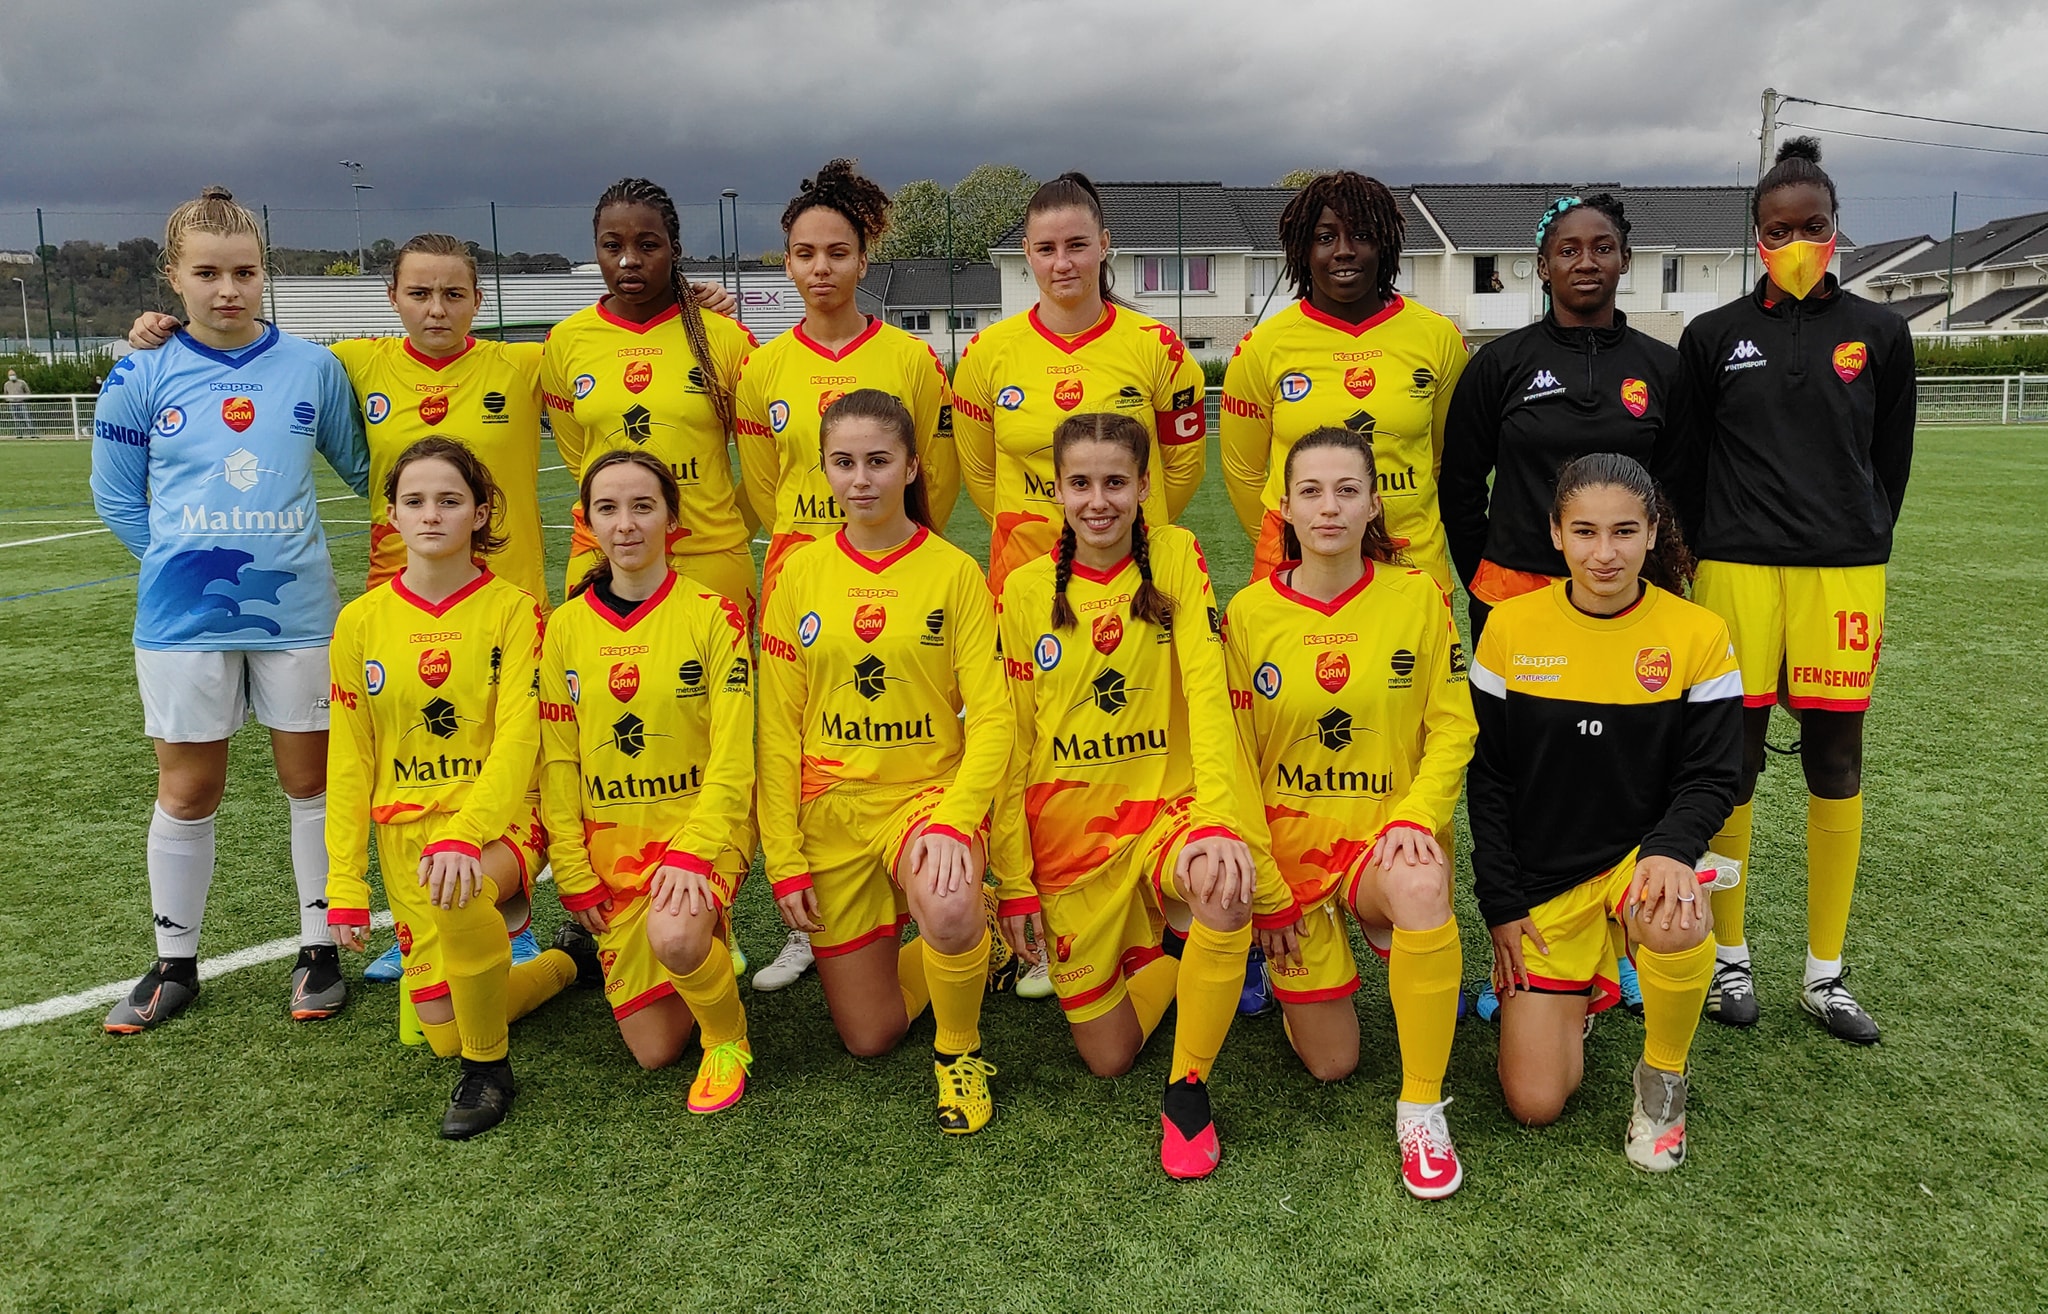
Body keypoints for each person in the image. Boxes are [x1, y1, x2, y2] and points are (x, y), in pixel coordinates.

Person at [90, 186, 369, 1033]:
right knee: (188, 788)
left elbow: (367, 471)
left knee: (311, 780)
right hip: (183, 621)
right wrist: (188, 566)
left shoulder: (312, 368)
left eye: (244, 272)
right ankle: (175, 963)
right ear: (173, 277)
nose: (228, 289)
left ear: (264, 275)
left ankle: (318, 951)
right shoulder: (140, 370)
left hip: (299, 613)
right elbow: (115, 498)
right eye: (207, 272)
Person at [995, 411, 1298, 1179]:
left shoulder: (1173, 554)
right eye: (1081, 483)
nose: (1099, 500)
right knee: (1109, 1056)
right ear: (1056, 490)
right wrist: (1016, 880)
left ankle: (1189, 1089)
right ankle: (1175, 948)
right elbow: (1014, 740)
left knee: (1225, 889)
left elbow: (1205, 687)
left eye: (1116, 482)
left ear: (1143, 486)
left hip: (1168, 813)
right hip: (1069, 840)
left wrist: (1222, 821)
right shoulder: (1026, 590)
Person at [1677, 139, 1915, 1045]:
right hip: (1735, 571)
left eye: (1812, 225)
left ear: (1836, 227)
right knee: (1731, 763)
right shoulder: (1713, 337)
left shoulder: (1882, 335)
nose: (1797, 240)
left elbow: (1888, 466)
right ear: (1758, 236)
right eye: (1780, 229)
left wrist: (1853, 533)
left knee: (1835, 760)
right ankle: (1729, 956)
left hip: (1843, 572)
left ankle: (1825, 973)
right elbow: (1692, 464)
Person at [731, 160, 971, 996]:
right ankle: (819, 922)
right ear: (787, 263)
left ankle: (950, 899)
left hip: (901, 574)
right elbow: (765, 485)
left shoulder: (908, 358)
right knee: (801, 744)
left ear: (864, 259)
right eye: (804, 253)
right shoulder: (761, 372)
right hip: (806, 574)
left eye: (838, 252)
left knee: (916, 727)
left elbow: (933, 473)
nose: (821, 268)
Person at [1468, 453, 1740, 1171]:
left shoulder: (1698, 633)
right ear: (1556, 534)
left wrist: (1672, 848)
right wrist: (1501, 898)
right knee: (1535, 1104)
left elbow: (1715, 774)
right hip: (1546, 877)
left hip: (1637, 858)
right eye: (1584, 532)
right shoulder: (1509, 628)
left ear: (1653, 533)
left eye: (1624, 532)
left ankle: (1662, 1081)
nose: (1604, 552)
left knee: (1677, 918)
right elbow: (1489, 777)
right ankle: (1585, 990)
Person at [1224, 426, 1477, 1200]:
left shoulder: (1419, 599)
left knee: (1423, 884)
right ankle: (1279, 959)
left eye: (1345, 490)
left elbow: (1454, 726)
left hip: (1380, 839)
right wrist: (1264, 883)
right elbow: (1231, 758)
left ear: (1373, 503)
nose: (1328, 507)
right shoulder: (1247, 614)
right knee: (1333, 1062)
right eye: (1310, 492)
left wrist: (1415, 817)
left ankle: (1423, 1109)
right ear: (1285, 508)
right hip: (1290, 855)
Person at [758, 389, 1015, 1133]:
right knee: (869, 1038)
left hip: (924, 798)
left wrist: (956, 821)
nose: (860, 479)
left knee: (946, 896)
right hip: (830, 806)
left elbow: (994, 719)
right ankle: (980, 935)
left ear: (911, 466)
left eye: (878, 461)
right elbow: (776, 728)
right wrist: (785, 856)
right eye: (843, 463)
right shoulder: (798, 576)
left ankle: (958, 1053)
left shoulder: (953, 571)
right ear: (824, 471)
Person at [325, 438, 577, 1138]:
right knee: (439, 1031)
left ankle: (490, 1070)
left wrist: (468, 832)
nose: (431, 514)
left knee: (458, 889)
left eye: (449, 500)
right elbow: (349, 759)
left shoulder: (515, 612)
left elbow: (520, 739)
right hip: (405, 837)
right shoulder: (359, 623)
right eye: (415, 501)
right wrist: (345, 882)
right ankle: (564, 964)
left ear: (479, 512)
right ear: (392, 516)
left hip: (500, 825)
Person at [541, 450, 757, 1112]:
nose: (626, 524)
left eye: (643, 507)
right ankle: (685, 951)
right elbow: (557, 759)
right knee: (655, 1049)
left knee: (675, 936)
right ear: (587, 522)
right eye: (608, 508)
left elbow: (733, 753)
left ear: (672, 518)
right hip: (613, 848)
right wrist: (572, 869)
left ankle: (729, 1041)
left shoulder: (713, 616)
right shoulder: (565, 629)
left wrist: (696, 848)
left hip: (701, 835)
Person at [1440, 193, 1693, 644]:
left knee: (1626, 713)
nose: (1586, 262)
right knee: (1516, 717)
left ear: (1625, 259)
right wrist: (1482, 569)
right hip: (1514, 593)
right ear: (1543, 267)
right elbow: (1461, 485)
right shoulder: (1499, 364)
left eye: (1602, 248)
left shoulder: (1664, 368)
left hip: (1625, 592)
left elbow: (1677, 487)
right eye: (1569, 250)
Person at [952, 172, 1207, 594]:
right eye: (1047, 249)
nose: (1062, 263)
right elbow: (980, 473)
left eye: (1077, 245)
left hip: (1131, 564)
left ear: (1104, 244)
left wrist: (1110, 525)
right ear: (1027, 254)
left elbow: (1183, 469)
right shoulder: (985, 353)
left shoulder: (1158, 348)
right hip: (1023, 570)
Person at [1221, 170, 1469, 592]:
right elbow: (1243, 472)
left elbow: (1446, 459)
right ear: (1303, 248)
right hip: (1297, 562)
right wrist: (1306, 535)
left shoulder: (1438, 337)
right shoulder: (1263, 345)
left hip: (1411, 560)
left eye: (1361, 235)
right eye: (1325, 238)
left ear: (1385, 244)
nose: (1344, 252)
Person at [540, 177, 760, 615]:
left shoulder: (726, 337)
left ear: (674, 250)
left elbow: (764, 460)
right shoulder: (566, 341)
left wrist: (723, 524)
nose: (628, 260)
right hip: (602, 556)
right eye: (611, 245)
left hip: (709, 557)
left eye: (647, 245)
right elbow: (579, 456)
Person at [5, 368, 30, 434]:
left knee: (27, 418)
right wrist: (9, 399)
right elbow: (5, 394)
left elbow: (28, 392)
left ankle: (32, 433)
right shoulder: (6, 384)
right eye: (10, 375)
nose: (12, 376)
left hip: (21, 402)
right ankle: (19, 434)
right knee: (16, 419)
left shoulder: (22, 382)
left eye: (13, 374)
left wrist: (22, 397)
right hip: (12, 404)